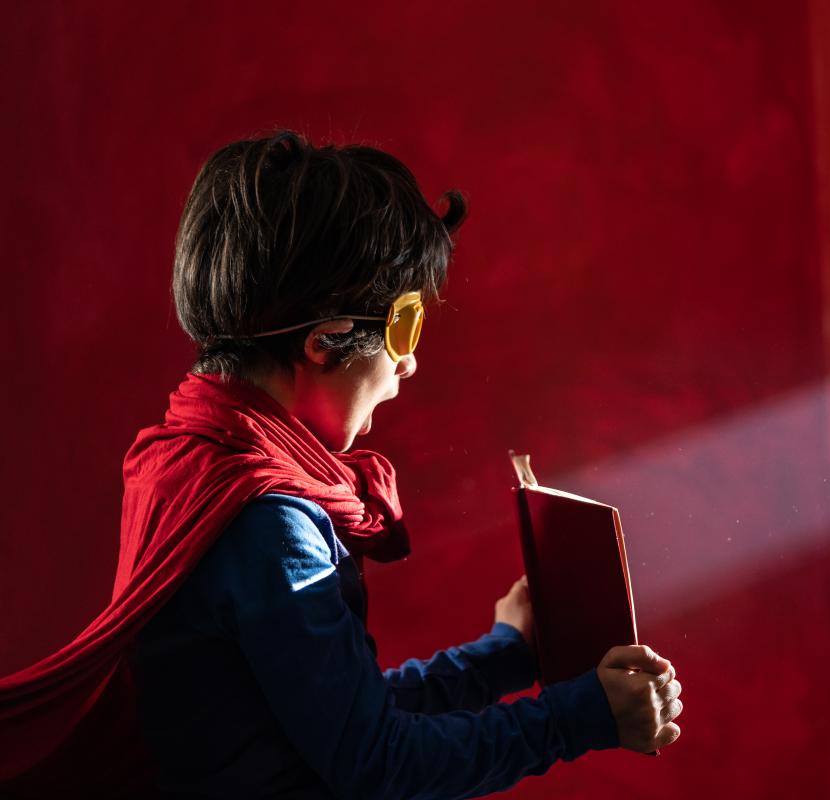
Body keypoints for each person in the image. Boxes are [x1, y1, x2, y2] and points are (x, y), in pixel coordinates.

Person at [0, 131, 682, 797]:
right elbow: (378, 764)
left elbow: (335, 721)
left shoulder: (186, 459)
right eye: (404, 325)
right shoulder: (267, 520)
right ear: (327, 339)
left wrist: (505, 654)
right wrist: (581, 718)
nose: (408, 363)